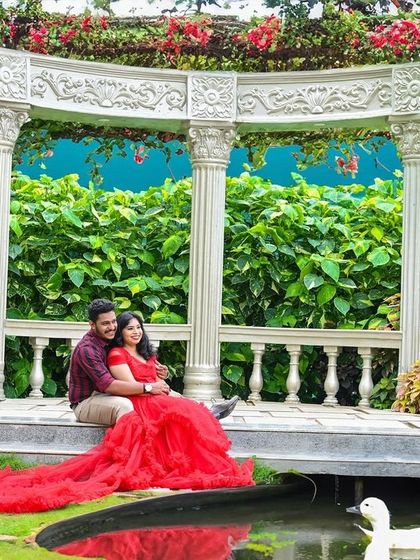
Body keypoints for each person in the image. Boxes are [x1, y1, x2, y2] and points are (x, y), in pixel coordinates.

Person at [69, 299, 239, 426]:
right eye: (105, 323)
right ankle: (126, 453)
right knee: (125, 405)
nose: (112, 327)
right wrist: (149, 387)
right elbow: (109, 384)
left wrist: (153, 373)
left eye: (113, 321)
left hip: (107, 395)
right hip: (87, 402)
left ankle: (205, 413)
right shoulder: (88, 349)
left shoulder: (110, 341)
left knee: (174, 397)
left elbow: (129, 363)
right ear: (92, 325)